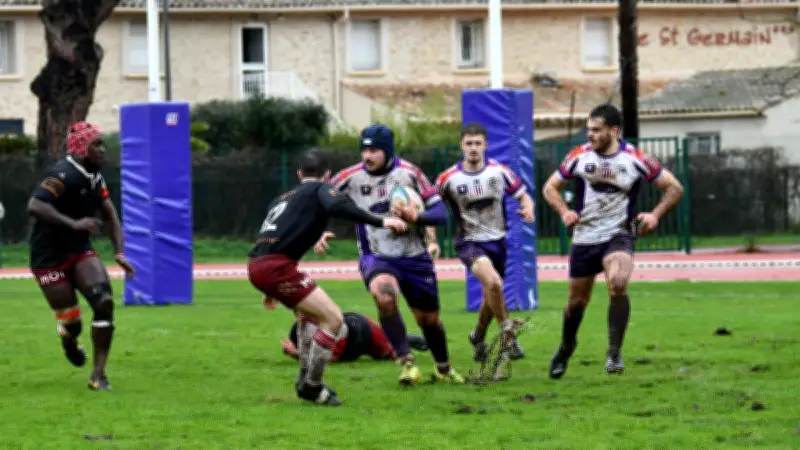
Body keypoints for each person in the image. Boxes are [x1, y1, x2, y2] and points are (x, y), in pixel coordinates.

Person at [247, 148, 407, 406]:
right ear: (328, 175)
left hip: (258, 264)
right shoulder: (319, 189)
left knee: (309, 317)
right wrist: (381, 221)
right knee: (333, 321)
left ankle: (304, 380)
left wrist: (268, 288)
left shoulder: (282, 199)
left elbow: (279, 235)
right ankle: (312, 386)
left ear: (299, 173)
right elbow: (337, 204)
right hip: (276, 268)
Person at [314, 123, 466, 386]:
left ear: (387, 151)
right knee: (384, 296)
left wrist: (415, 216)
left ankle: (443, 367)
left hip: (415, 257)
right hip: (377, 255)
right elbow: (316, 200)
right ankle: (407, 363)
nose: (367, 156)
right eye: (364, 150)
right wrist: (317, 230)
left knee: (428, 321)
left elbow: (441, 213)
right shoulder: (350, 177)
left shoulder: (411, 174)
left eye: (373, 150)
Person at [541, 104, 684, 378]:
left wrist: (654, 215)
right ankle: (567, 345)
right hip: (585, 236)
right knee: (576, 302)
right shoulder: (579, 156)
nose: (590, 135)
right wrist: (564, 211)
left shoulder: (636, 158)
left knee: (617, 284)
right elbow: (550, 187)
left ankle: (614, 351)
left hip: (619, 233)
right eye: (588, 129)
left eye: (596, 130)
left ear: (614, 131)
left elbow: (675, 188)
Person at [27, 121, 135, 392]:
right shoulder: (62, 174)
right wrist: (74, 224)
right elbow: (35, 205)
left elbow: (110, 215)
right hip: (48, 256)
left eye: (102, 143)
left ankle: (98, 376)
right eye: (96, 144)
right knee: (72, 322)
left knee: (104, 301)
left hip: (80, 251)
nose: (102, 149)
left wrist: (119, 252)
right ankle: (68, 338)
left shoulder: (95, 176)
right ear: (80, 148)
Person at [434, 122, 535, 366]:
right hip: (469, 242)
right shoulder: (448, 178)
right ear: (461, 146)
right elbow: (430, 207)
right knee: (494, 283)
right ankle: (508, 335)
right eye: (469, 144)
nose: (473, 148)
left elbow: (523, 194)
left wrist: (528, 208)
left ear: (485, 145)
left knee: (491, 295)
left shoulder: (499, 171)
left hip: (497, 241)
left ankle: (477, 335)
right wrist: (431, 239)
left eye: (478, 143)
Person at [278, 311, 429, 363]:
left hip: (363, 332)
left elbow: (331, 359)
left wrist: (296, 354)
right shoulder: (297, 330)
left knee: (391, 355)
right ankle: (396, 337)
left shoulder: (334, 326)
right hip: (352, 339)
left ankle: (409, 340)